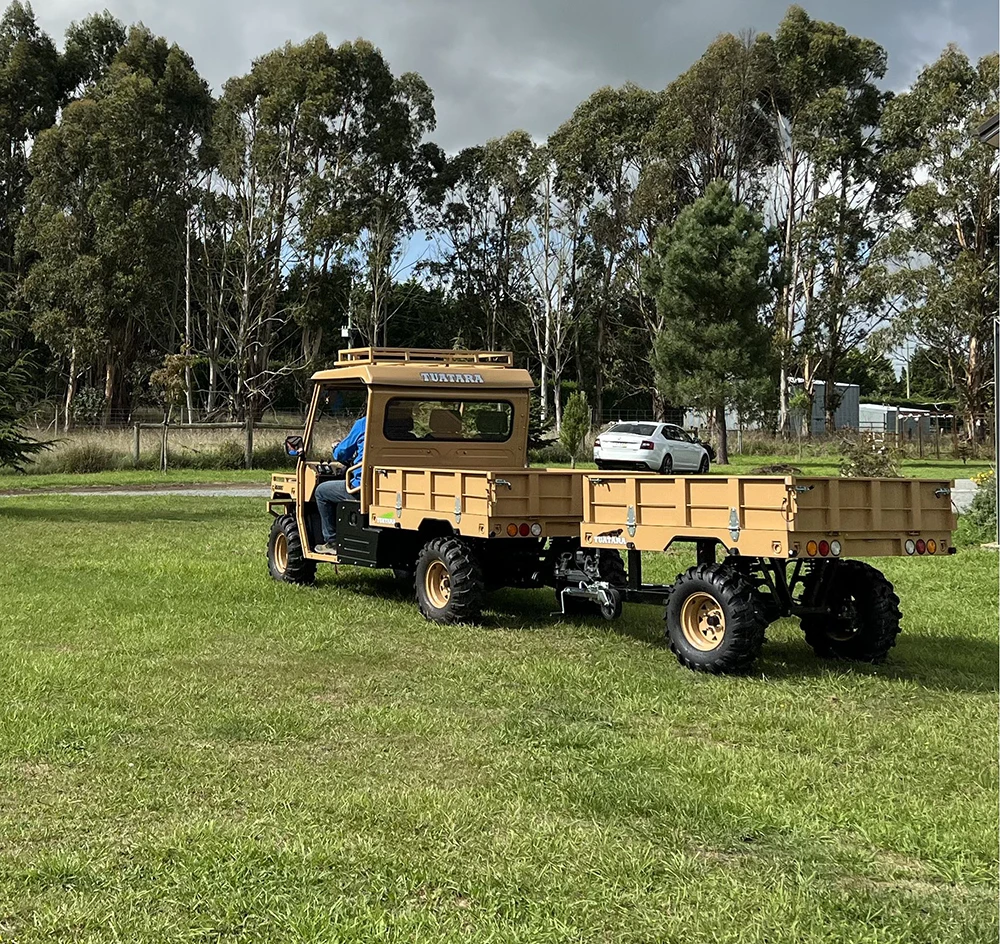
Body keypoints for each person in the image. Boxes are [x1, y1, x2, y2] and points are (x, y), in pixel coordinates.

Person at [314, 415, 365, 553]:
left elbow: (342, 453)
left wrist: (336, 447)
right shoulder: (407, 433)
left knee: (321, 491)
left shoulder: (365, 424)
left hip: (362, 488)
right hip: (390, 488)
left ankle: (332, 541)